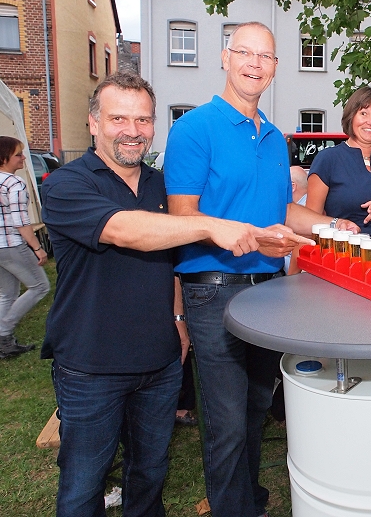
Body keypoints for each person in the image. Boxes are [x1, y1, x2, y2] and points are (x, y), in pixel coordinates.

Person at [41, 71, 279, 516]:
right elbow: (126, 230)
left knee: (149, 474)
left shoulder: (158, 185)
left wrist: (180, 319)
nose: (132, 131)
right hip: (91, 364)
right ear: (93, 123)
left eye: (143, 120)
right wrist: (210, 226)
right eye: (118, 119)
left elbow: (171, 259)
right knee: (82, 485)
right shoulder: (66, 184)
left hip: (160, 361)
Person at [164, 22, 356, 517]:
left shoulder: (273, 137)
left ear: (275, 68)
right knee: (226, 421)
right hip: (214, 290)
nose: (254, 63)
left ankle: (248, 500)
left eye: (265, 56)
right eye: (244, 52)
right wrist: (243, 232)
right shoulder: (193, 128)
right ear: (225, 58)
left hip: (268, 289)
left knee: (254, 408)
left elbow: (281, 211)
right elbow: (182, 217)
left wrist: (331, 224)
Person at [307, 86, 371, 243]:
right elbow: (310, 222)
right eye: (363, 113)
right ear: (351, 117)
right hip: (352, 251)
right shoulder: (327, 159)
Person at [0, 137, 49, 358]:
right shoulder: (14, 184)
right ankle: (4, 331)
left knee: (7, 293)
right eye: (18, 154)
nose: (23, 158)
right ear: (4, 158)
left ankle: (4, 342)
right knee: (40, 286)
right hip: (11, 245)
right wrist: (37, 248)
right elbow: (20, 221)